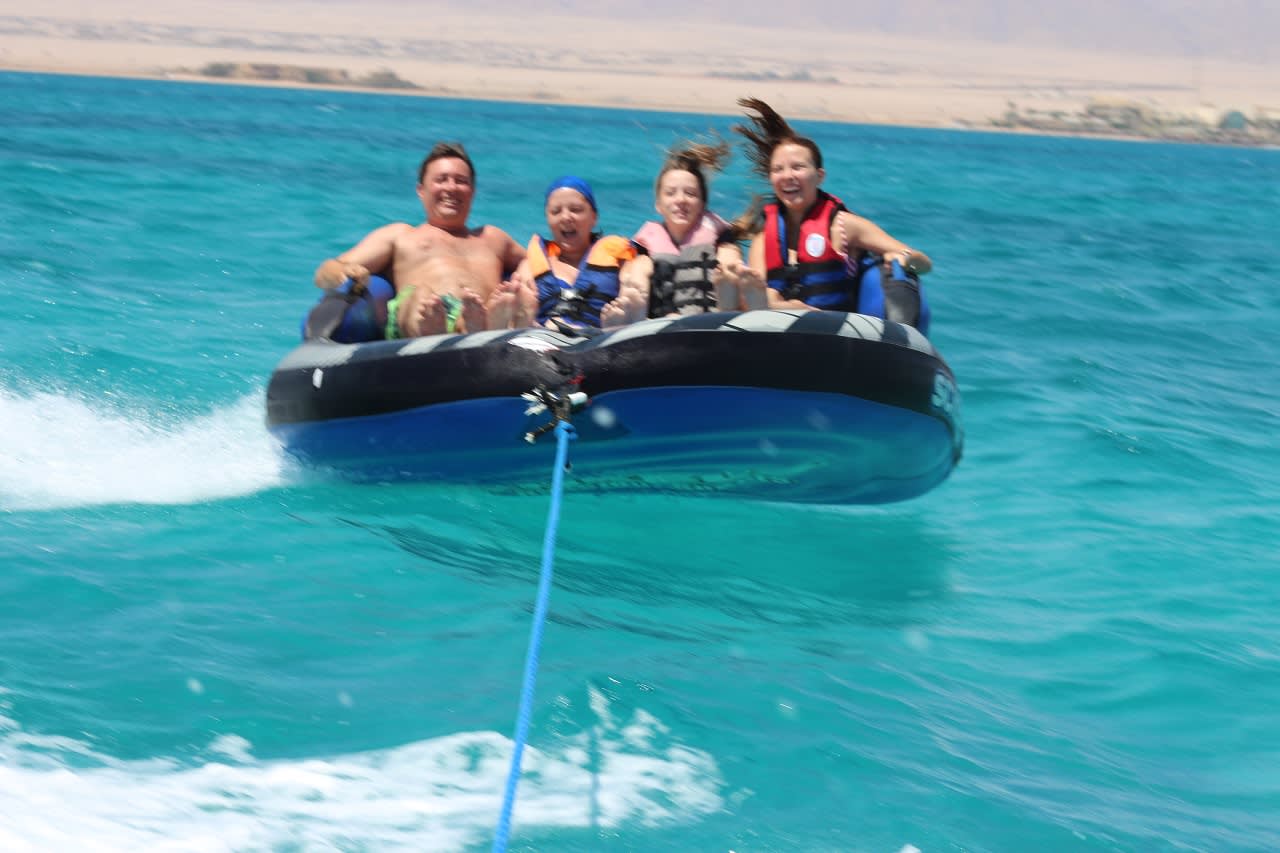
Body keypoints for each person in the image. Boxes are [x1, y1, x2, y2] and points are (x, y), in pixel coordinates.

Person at [733, 97, 933, 329]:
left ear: (819, 176)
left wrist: (906, 259)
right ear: (771, 178)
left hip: (840, 339)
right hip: (782, 338)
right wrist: (793, 308)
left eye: (798, 167)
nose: (787, 176)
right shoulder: (763, 240)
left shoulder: (844, 226)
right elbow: (758, 300)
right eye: (778, 169)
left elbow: (924, 264)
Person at [313, 142, 526, 337]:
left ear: (472, 191)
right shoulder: (401, 235)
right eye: (441, 180)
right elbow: (326, 272)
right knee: (422, 296)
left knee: (503, 300)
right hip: (422, 317)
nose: (451, 187)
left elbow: (533, 261)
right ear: (421, 191)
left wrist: (523, 276)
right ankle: (438, 331)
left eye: (461, 181)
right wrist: (346, 272)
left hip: (479, 314)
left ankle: (473, 327)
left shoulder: (492, 237)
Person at [606, 140, 767, 325]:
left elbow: (730, 254)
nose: (680, 200)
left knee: (728, 261)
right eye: (670, 193)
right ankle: (633, 309)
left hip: (711, 319)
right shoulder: (647, 246)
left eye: (690, 194)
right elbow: (630, 270)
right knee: (637, 268)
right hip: (661, 324)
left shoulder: (719, 238)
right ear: (658, 205)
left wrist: (729, 265)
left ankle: (731, 296)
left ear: (702, 205)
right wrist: (631, 278)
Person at [498, 176, 637, 332]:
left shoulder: (619, 259)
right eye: (556, 211)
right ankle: (523, 323)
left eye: (576, 210)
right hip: (545, 337)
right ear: (548, 220)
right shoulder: (529, 267)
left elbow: (637, 278)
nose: (565, 217)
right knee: (520, 303)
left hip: (601, 335)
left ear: (594, 217)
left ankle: (618, 325)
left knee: (633, 295)